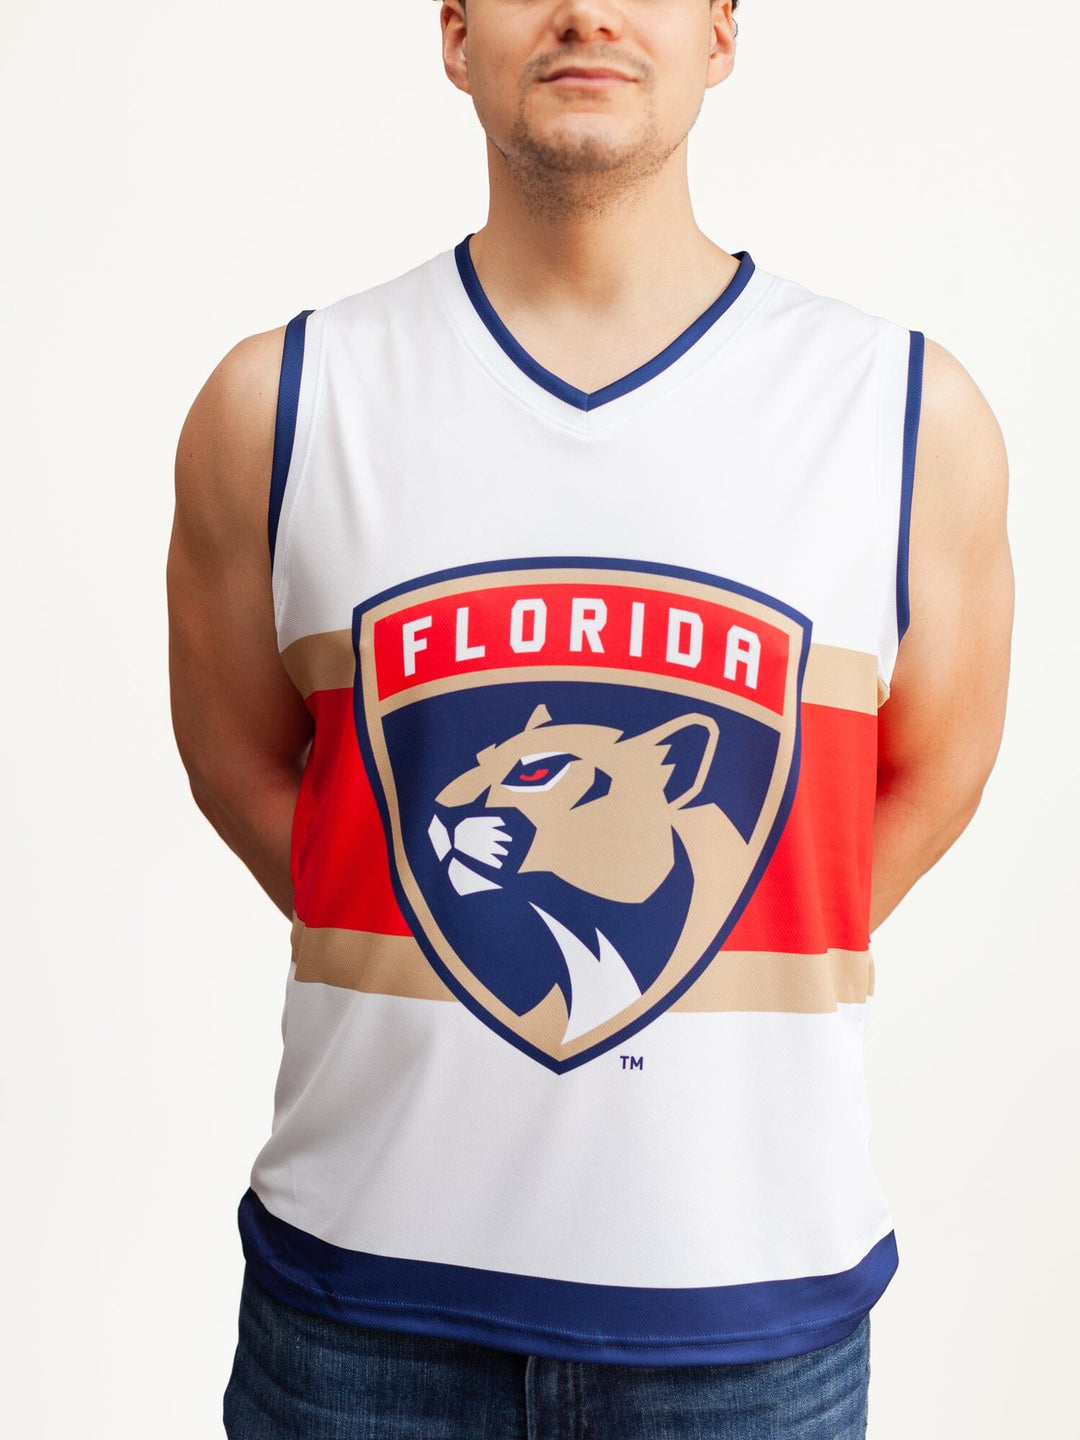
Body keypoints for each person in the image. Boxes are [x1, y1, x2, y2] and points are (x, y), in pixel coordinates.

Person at [167, 2, 1014, 1436]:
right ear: (454, 33)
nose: (586, 10)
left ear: (722, 33)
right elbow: (245, 766)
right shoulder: (281, 403)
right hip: (359, 1313)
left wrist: (729, 960)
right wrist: (432, 930)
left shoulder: (904, 414)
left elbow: (930, 779)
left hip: (748, 1321)